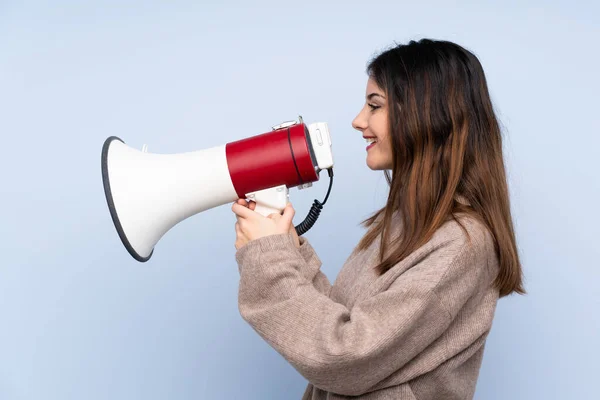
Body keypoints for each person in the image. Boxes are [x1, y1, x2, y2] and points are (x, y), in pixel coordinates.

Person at [231, 38, 525, 400]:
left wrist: (269, 258)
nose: (358, 121)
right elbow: (343, 321)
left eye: (375, 105)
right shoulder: (404, 222)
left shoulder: (461, 244)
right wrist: (286, 249)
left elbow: (345, 358)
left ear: (430, 114)